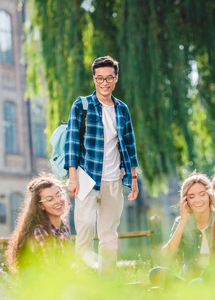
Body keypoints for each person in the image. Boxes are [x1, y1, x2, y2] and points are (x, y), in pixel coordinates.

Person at [64, 56, 139, 275]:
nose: (104, 83)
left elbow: (129, 144)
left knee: (109, 235)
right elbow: (72, 142)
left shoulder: (122, 109)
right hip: (86, 176)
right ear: (94, 78)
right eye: (99, 78)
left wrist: (133, 179)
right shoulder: (82, 105)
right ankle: (84, 277)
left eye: (109, 78)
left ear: (116, 78)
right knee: (85, 226)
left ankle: (108, 280)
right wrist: (73, 177)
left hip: (114, 179)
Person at [149, 172, 215, 286]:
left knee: (198, 284)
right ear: (186, 201)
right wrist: (182, 222)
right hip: (187, 282)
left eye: (202, 194)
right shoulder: (181, 222)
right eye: (191, 197)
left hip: (213, 281)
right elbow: (166, 256)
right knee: (155, 273)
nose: (197, 200)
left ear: (209, 196)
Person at [5, 173, 73, 274]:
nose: (58, 201)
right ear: (41, 206)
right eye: (50, 199)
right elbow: (50, 269)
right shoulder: (39, 231)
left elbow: (69, 260)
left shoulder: (64, 225)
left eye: (59, 195)